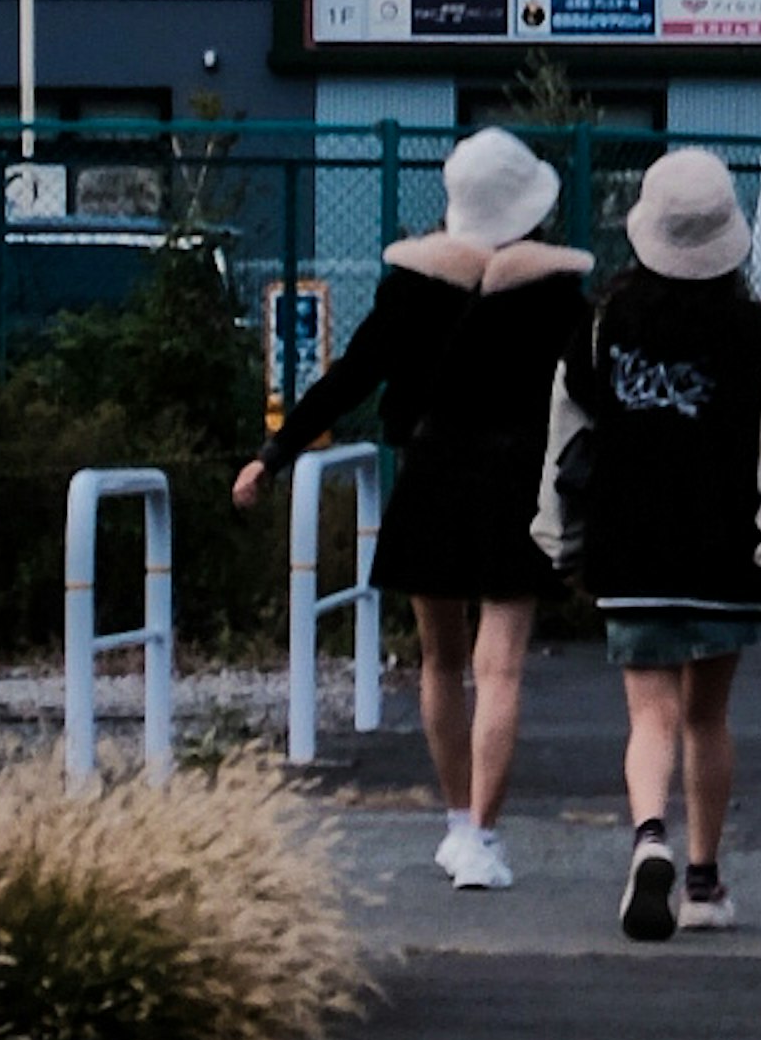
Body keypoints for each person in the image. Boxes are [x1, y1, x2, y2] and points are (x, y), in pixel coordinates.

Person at [234, 127, 590, 888]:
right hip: (518, 481)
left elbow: (352, 375)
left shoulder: (411, 284)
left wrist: (274, 453)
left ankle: (456, 821)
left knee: (440, 661)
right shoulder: (559, 295)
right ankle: (484, 842)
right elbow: (593, 394)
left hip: (430, 472)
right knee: (502, 671)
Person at [537, 143, 761, 941]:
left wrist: (560, 541)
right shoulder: (754, 334)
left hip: (629, 553)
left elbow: (566, 442)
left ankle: (648, 839)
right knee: (707, 719)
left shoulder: (601, 328)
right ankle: (702, 881)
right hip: (723, 555)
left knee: (649, 720)